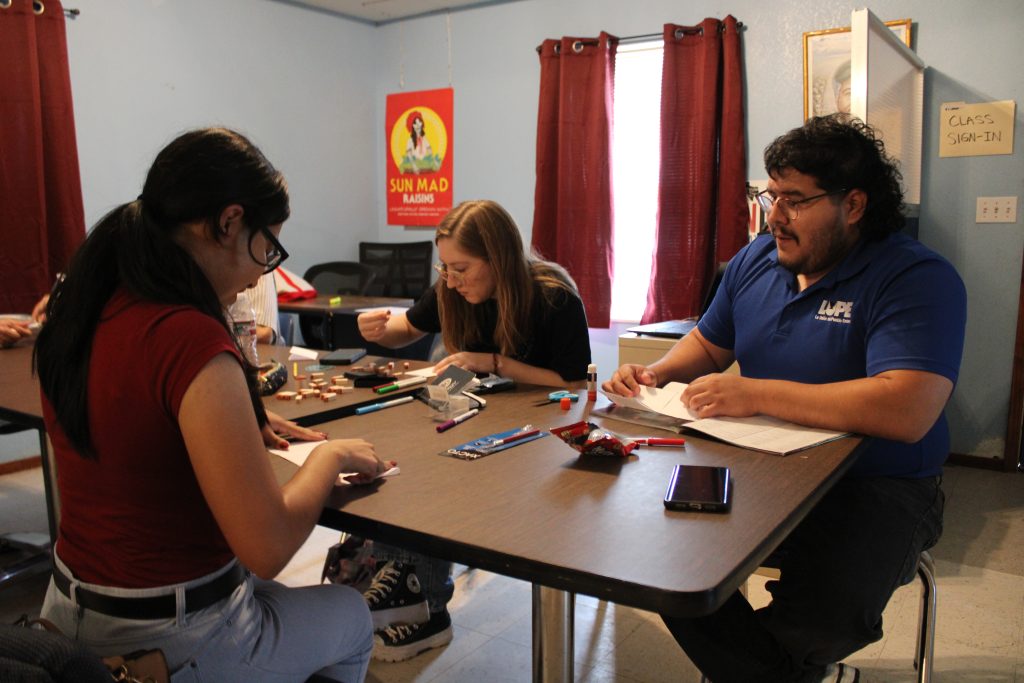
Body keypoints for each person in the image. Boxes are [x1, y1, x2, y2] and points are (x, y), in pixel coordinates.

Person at [604, 115, 966, 683]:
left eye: (794, 200)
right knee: (656, 558)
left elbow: (907, 407)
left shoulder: (914, 277)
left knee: (825, 612)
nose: (774, 216)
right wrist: (655, 375)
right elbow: (708, 341)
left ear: (853, 205)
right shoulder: (757, 260)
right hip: (763, 464)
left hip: (877, 484)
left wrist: (755, 394)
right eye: (770, 195)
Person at [34, 127, 393, 682]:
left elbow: (133, 423)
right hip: (166, 639)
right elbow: (268, 546)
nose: (262, 271)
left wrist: (231, 418)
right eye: (267, 247)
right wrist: (330, 458)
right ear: (228, 223)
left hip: (65, 618)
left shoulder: (80, 309)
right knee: (348, 614)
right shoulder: (191, 339)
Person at [355, 199, 591, 661]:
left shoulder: (552, 296)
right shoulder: (452, 287)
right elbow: (405, 326)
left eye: (461, 268)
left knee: (445, 470)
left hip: (541, 422)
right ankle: (397, 573)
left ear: (498, 259)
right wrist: (378, 328)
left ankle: (421, 598)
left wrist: (494, 362)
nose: (451, 279)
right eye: (444, 268)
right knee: (409, 446)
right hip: (482, 404)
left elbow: (576, 383)